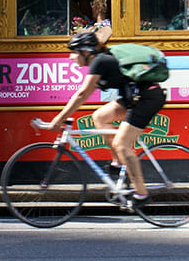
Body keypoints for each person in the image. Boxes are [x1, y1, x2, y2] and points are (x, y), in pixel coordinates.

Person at [34, 31, 166, 207]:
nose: (71, 56)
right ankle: (119, 162)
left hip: (147, 98)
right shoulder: (101, 59)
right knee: (100, 116)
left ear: (86, 51)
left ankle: (141, 193)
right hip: (134, 97)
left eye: (74, 52)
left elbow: (82, 94)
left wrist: (58, 119)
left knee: (122, 144)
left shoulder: (100, 61)